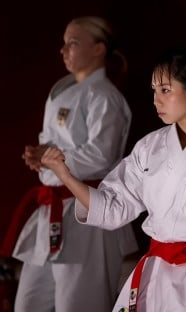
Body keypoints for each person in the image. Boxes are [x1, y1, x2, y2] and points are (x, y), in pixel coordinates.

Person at [41, 45, 186, 312]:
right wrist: (66, 175)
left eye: (165, 90)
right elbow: (111, 206)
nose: (156, 100)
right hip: (157, 276)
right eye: (154, 91)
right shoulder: (148, 148)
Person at [0, 16, 138, 312]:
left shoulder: (105, 96)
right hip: (52, 210)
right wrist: (40, 157)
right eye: (64, 43)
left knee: (78, 304)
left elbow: (102, 155)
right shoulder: (61, 91)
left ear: (99, 49)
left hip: (86, 211)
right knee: (28, 304)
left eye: (73, 43)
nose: (64, 50)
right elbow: (51, 142)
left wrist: (52, 161)